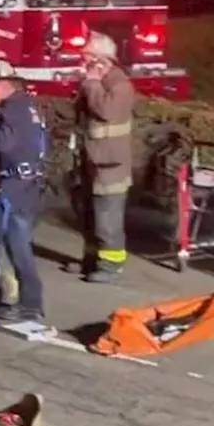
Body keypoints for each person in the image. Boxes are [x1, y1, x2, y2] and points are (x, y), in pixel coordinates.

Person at [0, 61, 48, 324]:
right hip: (29, 183)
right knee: (17, 246)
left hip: (12, 187)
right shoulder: (28, 105)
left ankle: (18, 303)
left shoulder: (10, 110)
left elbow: (4, 144)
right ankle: (27, 302)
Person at [75, 31, 135, 284]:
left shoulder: (119, 85)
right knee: (90, 212)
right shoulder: (100, 82)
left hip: (111, 163)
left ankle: (111, 264)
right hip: (94, 159)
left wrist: (90, 83)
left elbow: (106, 111)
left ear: (102, 59)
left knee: (107, 216)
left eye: (87, 56)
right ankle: (91, 259)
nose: (82, 61)